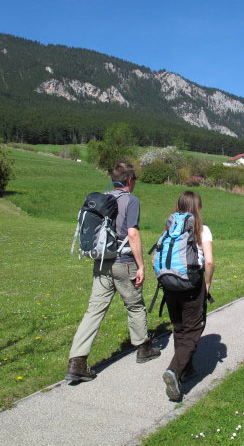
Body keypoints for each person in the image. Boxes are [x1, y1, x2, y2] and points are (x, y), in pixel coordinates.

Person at [65, 162, 160, 382]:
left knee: (94, 310)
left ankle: (77, 361)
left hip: (101, 262)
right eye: (135, 179)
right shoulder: (131, 200)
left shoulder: (103, 198)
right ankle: (143, 348)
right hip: (124, 262)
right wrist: (141, 266)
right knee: (135, 305)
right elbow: (133, 234)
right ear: (129, 180)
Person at [162, 191, 214, 401]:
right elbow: (208, 261)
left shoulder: (170, 228)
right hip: (191, 283)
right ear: (198, 208)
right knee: (193, 329)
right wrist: (207, 283)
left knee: (179, 327)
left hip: (169, 283)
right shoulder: (202, 230)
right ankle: (174, 371)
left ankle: (186, 369)